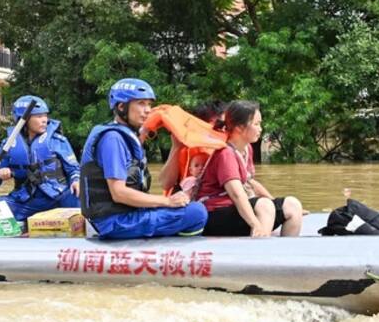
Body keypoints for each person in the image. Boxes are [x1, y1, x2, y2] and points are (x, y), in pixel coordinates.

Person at [79, 78, 208, 239]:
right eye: (141, 103)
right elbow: (118, 193)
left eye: (149, 104)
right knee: (197, 213)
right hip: (115, 222)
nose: (147, 110)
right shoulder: (112, 139)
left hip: (125, 215)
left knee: (190, 207)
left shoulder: (125, 136)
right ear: (121, 106)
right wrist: (167, 201)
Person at [197, 100, 303, 237]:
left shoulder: (247, 149)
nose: (260, 129)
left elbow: (249, 182)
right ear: (240, 127)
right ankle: (259, 249)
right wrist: (255, 224)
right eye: (256, 124)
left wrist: (274, 203)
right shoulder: (226, 154)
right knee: (265, 206)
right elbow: (237, 194)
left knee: (292, 205)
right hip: (215, 214)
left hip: (236, 209)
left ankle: (284, 255)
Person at [0, 95, 80, 222]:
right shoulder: (8, 144)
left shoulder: (57, 141)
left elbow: (73, 169)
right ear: (24, 120)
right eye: (39, 116)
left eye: (45, 115)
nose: (44, 120)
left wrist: (75, 180)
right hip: (26, 199)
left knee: (77, 198)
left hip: (58, 196)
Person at [158, 100, 227, 194]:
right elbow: (165, 184)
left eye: (225, 124)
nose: (224, 129)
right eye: (219, 124)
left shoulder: (229, 145)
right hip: (187, 198)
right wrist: (176, 147)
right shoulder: (185, 146)